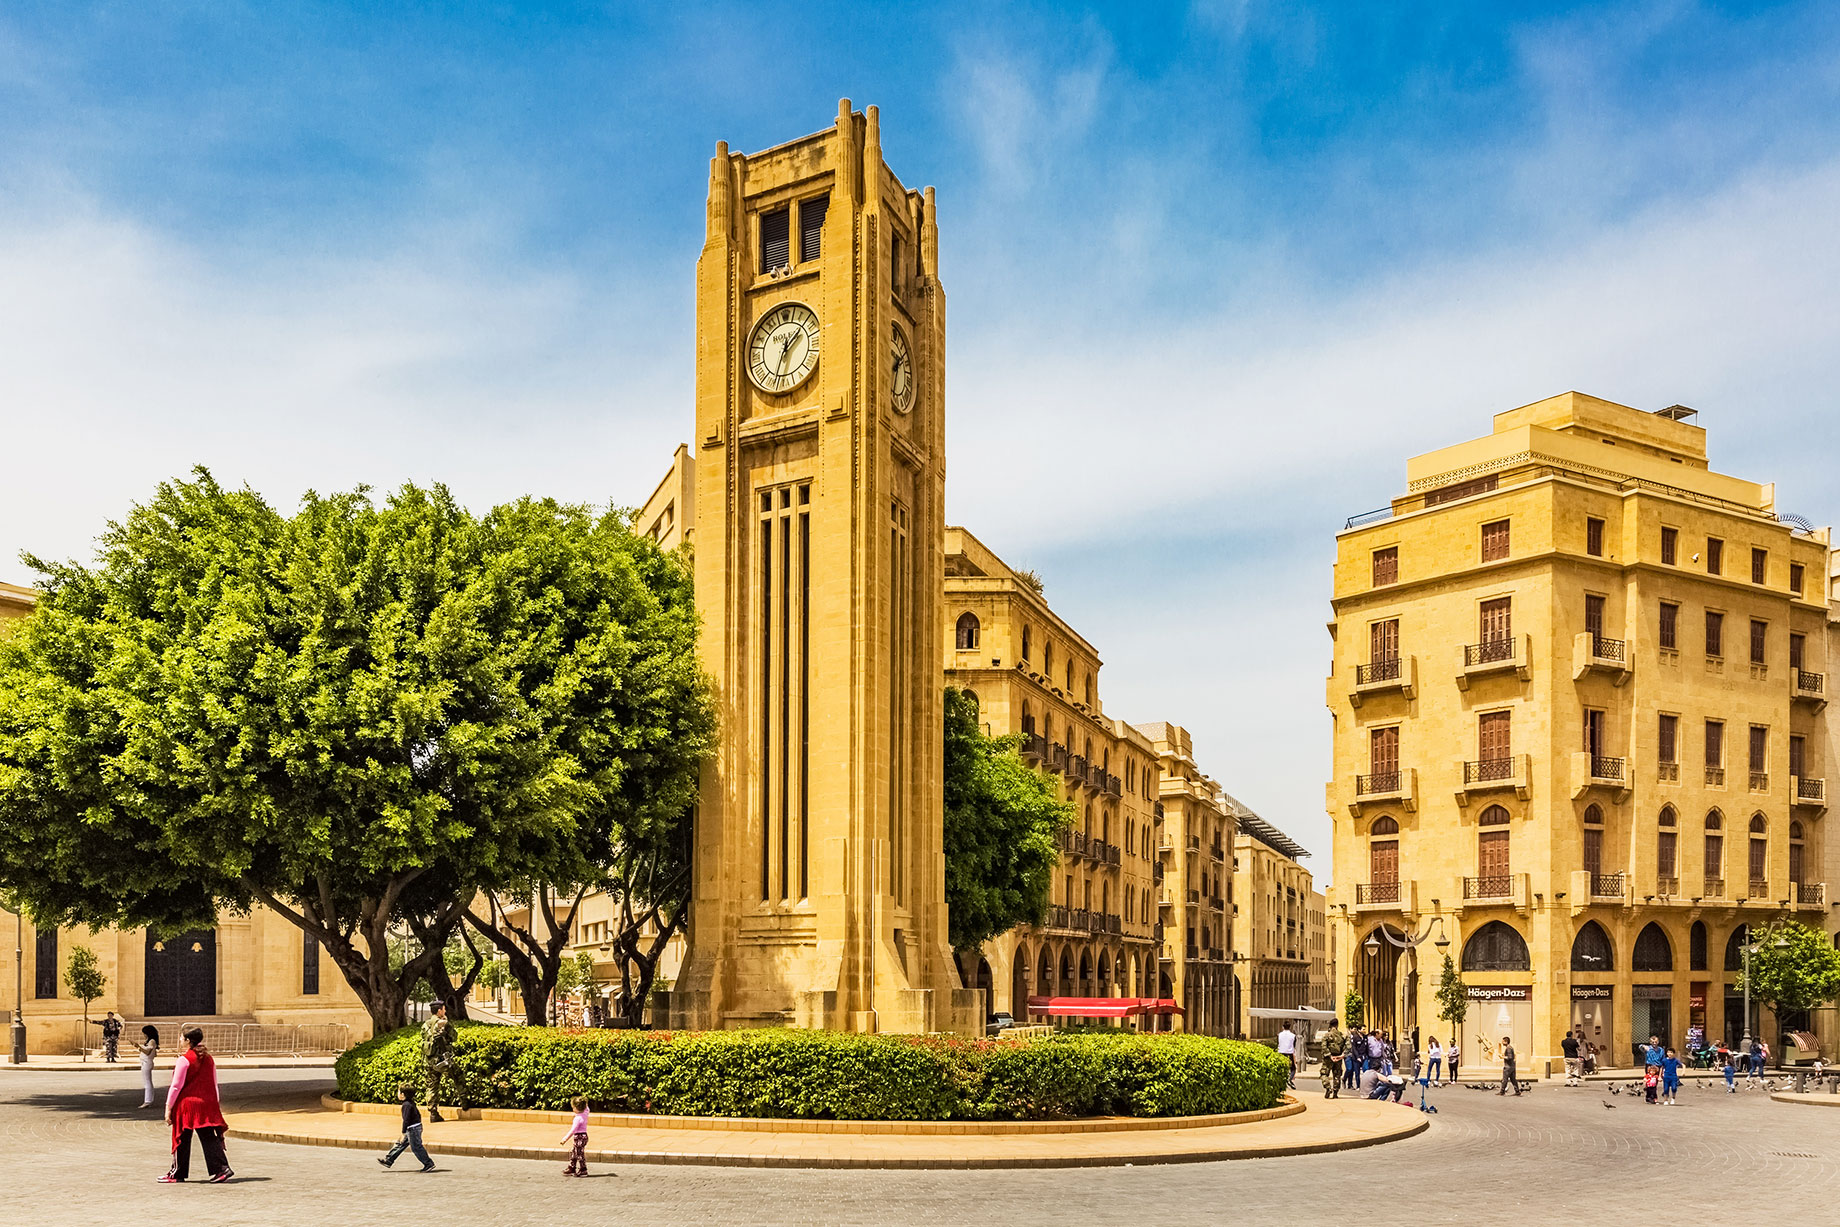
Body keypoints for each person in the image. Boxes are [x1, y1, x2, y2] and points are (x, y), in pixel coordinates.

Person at [160, 1027, 231, 1184]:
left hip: (188, 1105)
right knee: (208, 1137)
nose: (179, 1040)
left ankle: (177, 1173)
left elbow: (176, 1086)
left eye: (181, 1038)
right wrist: (216, 1104)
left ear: (187, 1041)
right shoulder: (208, 1058)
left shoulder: (184, 1060)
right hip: (206, 1103)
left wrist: (168, 1107)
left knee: (182, 1139)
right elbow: (214, 1082)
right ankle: (221, 1168)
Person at [422, 1001, 465, 1122]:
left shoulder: (426, 1024)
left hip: (430, 1060)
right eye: (444, 1009)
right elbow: (454, 1037)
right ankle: (465, 1101)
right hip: (444, 1059)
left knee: (432, 1086)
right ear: (439, 1011)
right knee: (458, 1076)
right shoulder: (444, 1023)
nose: (445, 1011)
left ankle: (433, 1113)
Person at [379, 1082, 436, 1172]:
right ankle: (389, 1160)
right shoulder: (410, 1103)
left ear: (402, 1095)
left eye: (398, 1092)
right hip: (413, 1127)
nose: (397, 1094)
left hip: (412, 1129)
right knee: (400, 1144)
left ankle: (428, 1163)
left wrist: (403, 1133)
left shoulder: (406, 1105)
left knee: (416, 1147)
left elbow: (406, 1120)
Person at [561, 1096, 590, 1177]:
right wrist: (583, 1102)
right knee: (574, 1152)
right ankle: (572, 1167)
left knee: (579, 1154)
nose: (572, 1109)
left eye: (573, 1107)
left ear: (577, 1108)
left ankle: (583, 1169)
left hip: (579, 1137)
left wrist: (565, 1139)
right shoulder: (585, 1113)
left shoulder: (578, 1118)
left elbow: (572, 1131)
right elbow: (587, 1107)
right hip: (584, 1136)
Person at [137, 1025, 160, 1109]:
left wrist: (139, 1047)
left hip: (147, 1062)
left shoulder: (151, 1041)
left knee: (147, 1082)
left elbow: (147, 1052)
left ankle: (148, 1100)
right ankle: (148, 1100)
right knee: (147, 1081)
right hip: (146, 1062)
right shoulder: (150, 1041)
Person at [1276, 1022, 1298, 1088]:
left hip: (1281, 1052)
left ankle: (1280, 1081)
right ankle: (1290, 1079)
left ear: (1283, 1027)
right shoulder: (1293, 1035)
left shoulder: (1279, 1035)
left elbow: (1278, 1043)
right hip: (1289, 1053)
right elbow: (1294, 1045)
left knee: (1280, 1067)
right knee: (1293, 1068)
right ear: (1290, 1027)